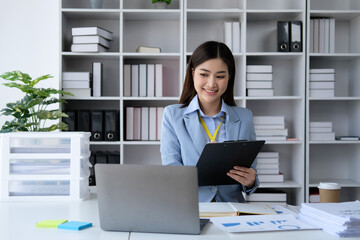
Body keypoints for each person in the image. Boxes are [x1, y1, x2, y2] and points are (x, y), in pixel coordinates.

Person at [160, 41, 258, 202]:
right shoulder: (172, 115)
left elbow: (250, 174)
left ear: (229, 77)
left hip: (232, 209)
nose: (212, 84)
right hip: (191, 207)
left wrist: (250, 181)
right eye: (204, 74)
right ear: (192, 73)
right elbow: (172, 172)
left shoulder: (245, 117)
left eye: (220, 76)